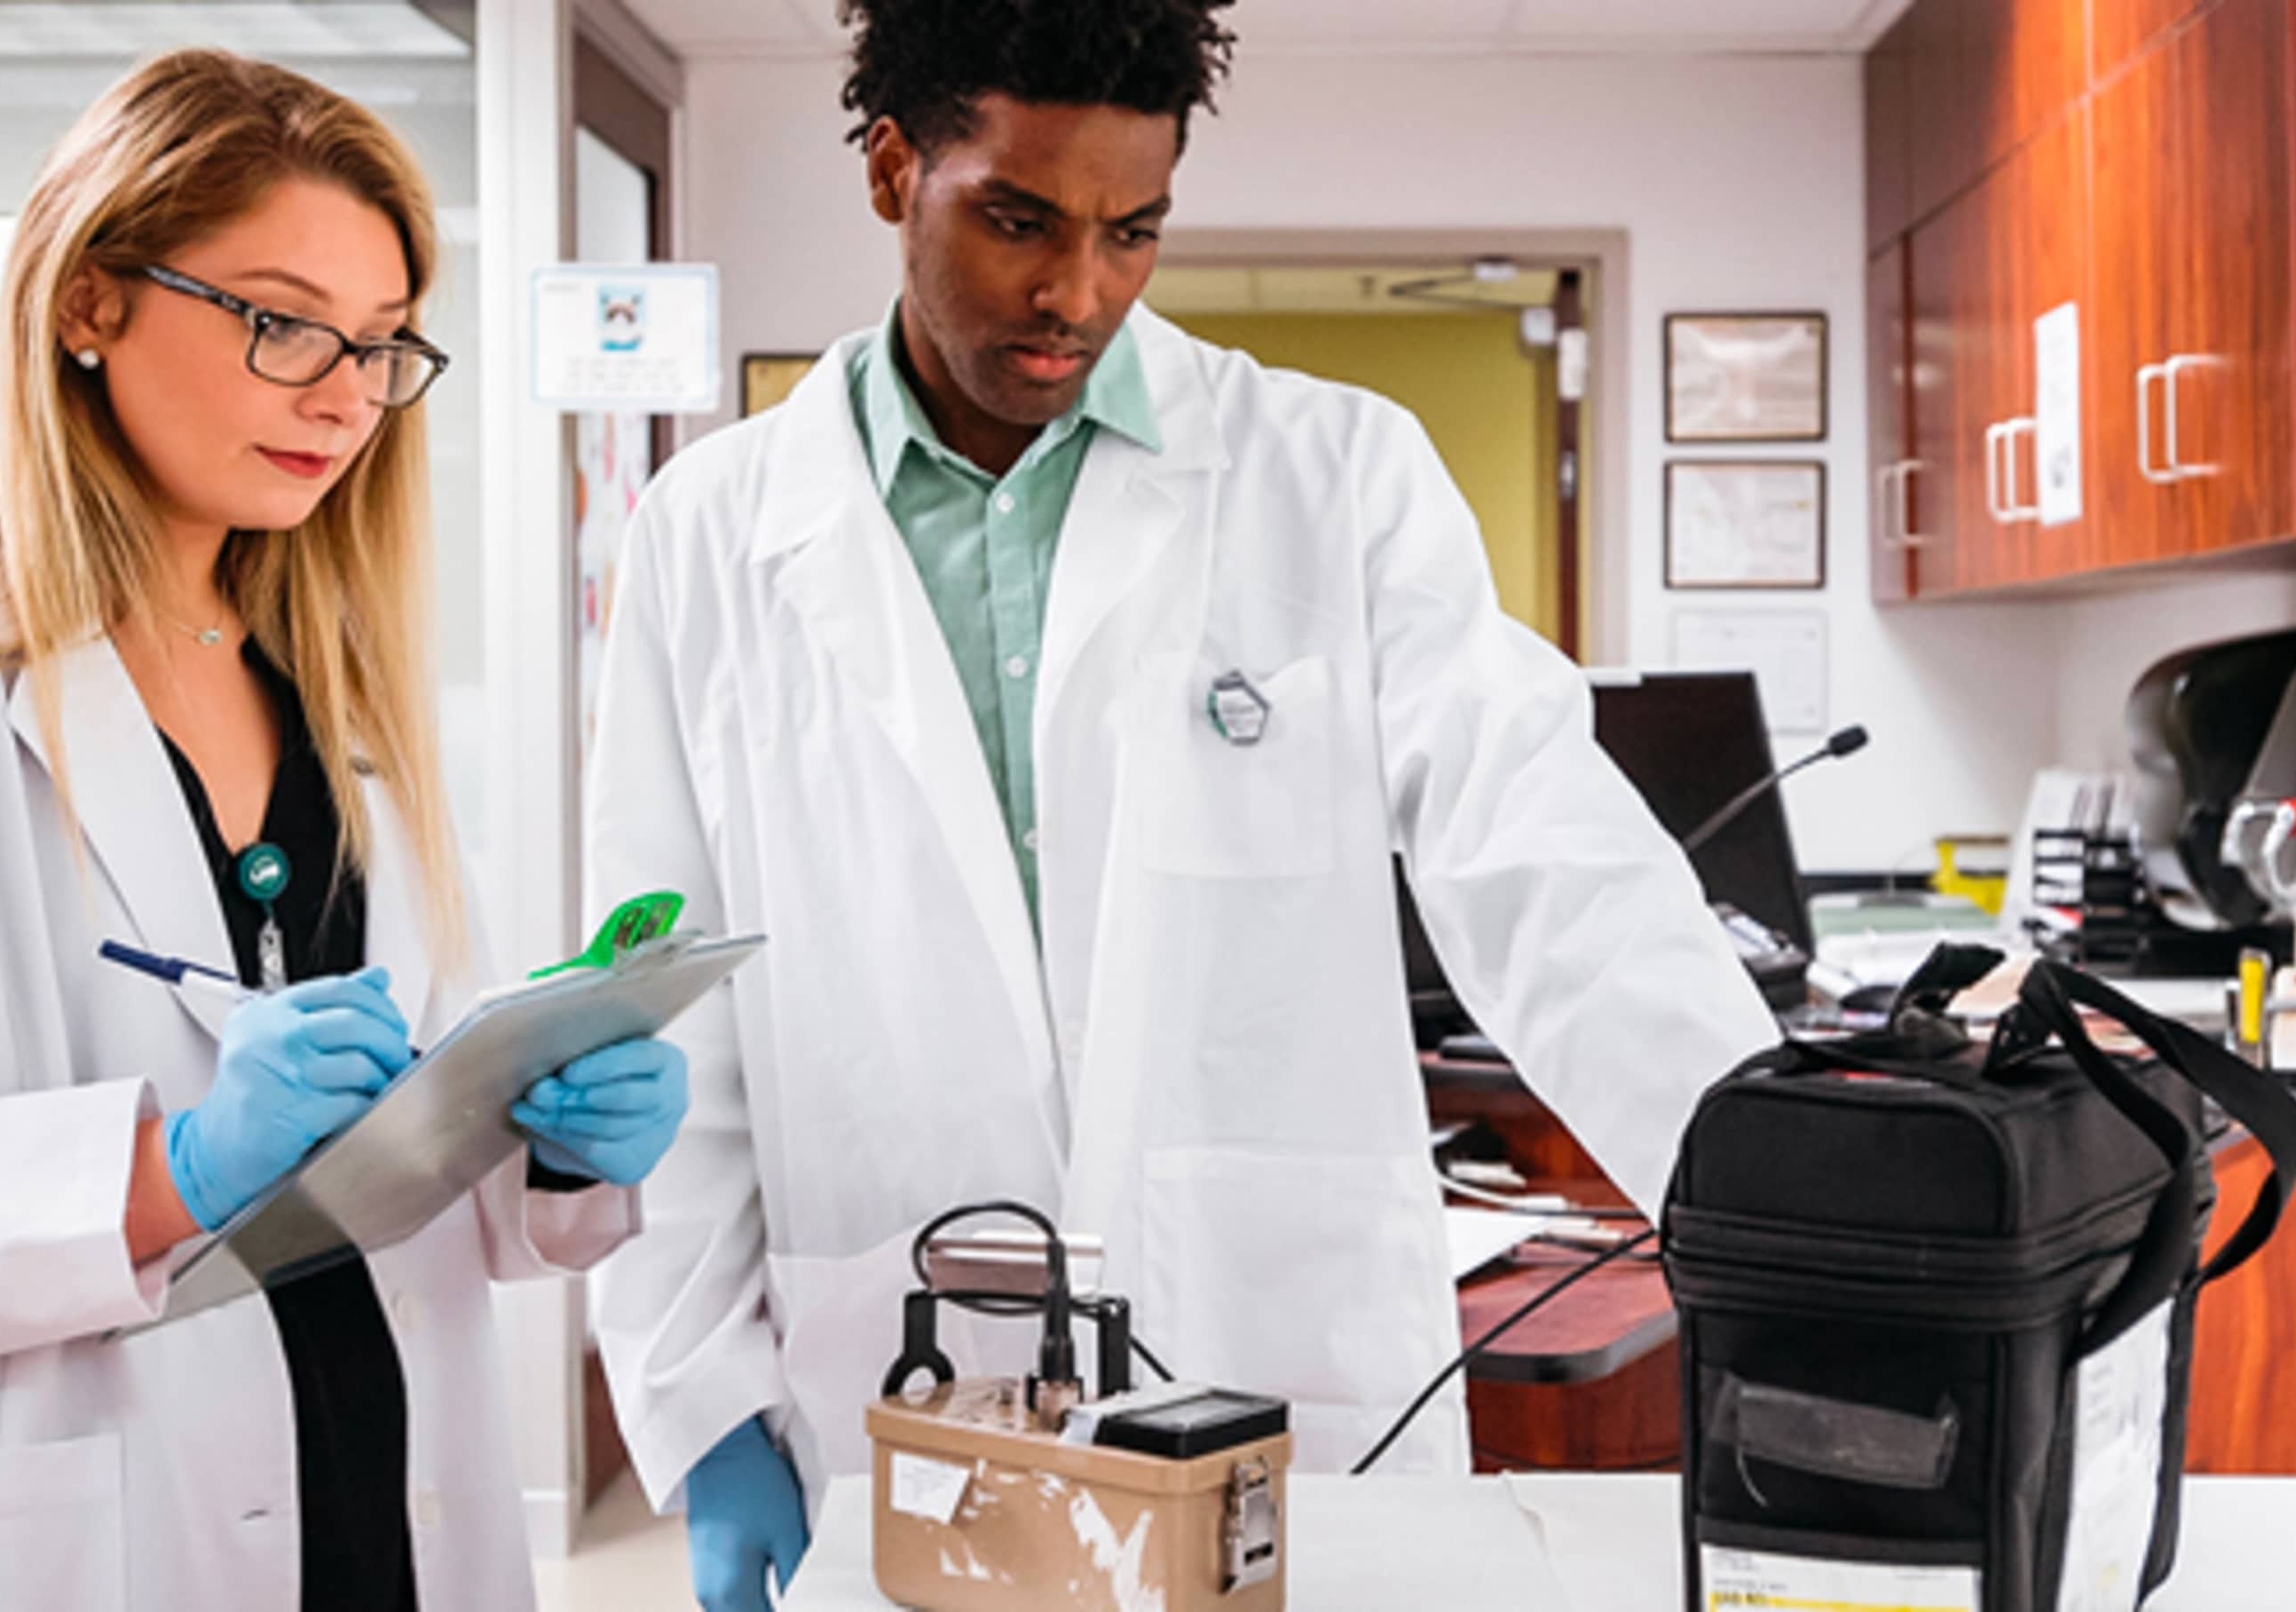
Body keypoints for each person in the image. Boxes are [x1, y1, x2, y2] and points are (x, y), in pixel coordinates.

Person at [582, 1, 1781, 1604]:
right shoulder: (708, 534)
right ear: (892, 171)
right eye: (1017, 220)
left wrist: (1791, 1208)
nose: (1077, 291)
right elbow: (671, 1007)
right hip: (901, 1380)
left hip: (1283, 1366)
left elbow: (1546, 857)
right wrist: (702, 1395)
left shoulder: (1331, 478)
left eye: (1131, 231)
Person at [0, 50, 689, 1612]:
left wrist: (545, 1148)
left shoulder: (327, 677)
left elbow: (402, 1164)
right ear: (91, 300)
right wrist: (165, 1171)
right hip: (21, 1543)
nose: (344, 394)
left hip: (369, 1514)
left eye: (381, 346)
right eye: (283, 321)